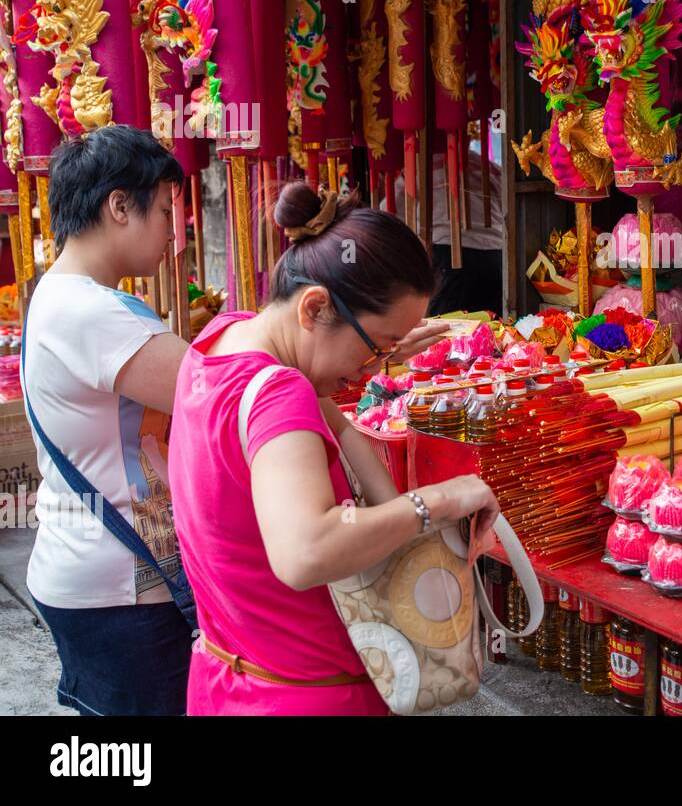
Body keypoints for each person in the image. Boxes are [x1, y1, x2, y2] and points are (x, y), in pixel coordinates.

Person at [167, 182, 500, 715]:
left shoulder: (220, 341)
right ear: (315, 307)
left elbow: (344, 437)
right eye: (377, 345)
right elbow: (306, 552)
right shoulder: (281, 393)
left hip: (225, 681)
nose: (373, 369)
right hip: (305, 695)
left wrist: (378, 348)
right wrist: (440, 501)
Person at [21, 125, 192, 715]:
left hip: (90, 571)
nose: (175, 232)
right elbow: (218, 391)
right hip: (119, 588)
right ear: (120, 205)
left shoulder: (60, 294)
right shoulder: (92, 312)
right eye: (167, 210)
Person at [428, 146, 504, 315]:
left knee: (447, 328)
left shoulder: (421, 166)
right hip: (495, 254)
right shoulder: (488, 166)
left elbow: (390, 209)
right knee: (491, 323)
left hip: (451, 252)